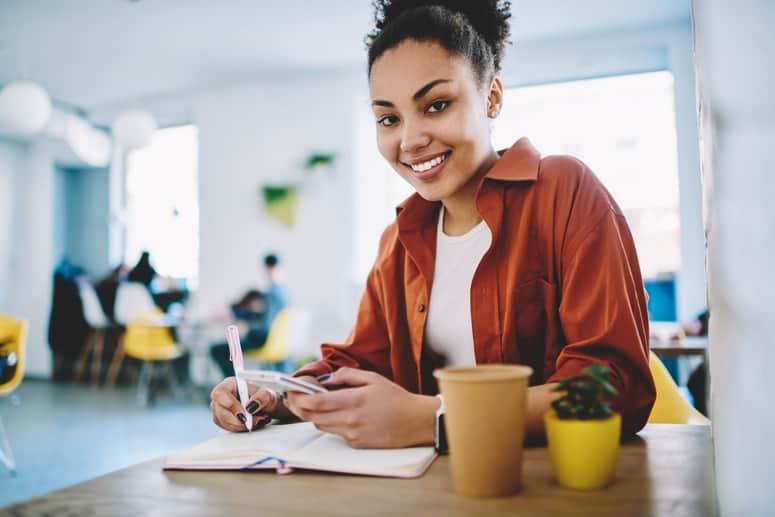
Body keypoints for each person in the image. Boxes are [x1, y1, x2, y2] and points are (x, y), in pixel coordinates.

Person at [210, 0, 655, 448]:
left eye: (437, 104)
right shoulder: (400, 240)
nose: (410, 139)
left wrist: (433, 419)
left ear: (492, 96)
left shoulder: (564, 190)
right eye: (388, 118)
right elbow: (362, 362)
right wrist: (280, 396)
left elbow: (616, 385)